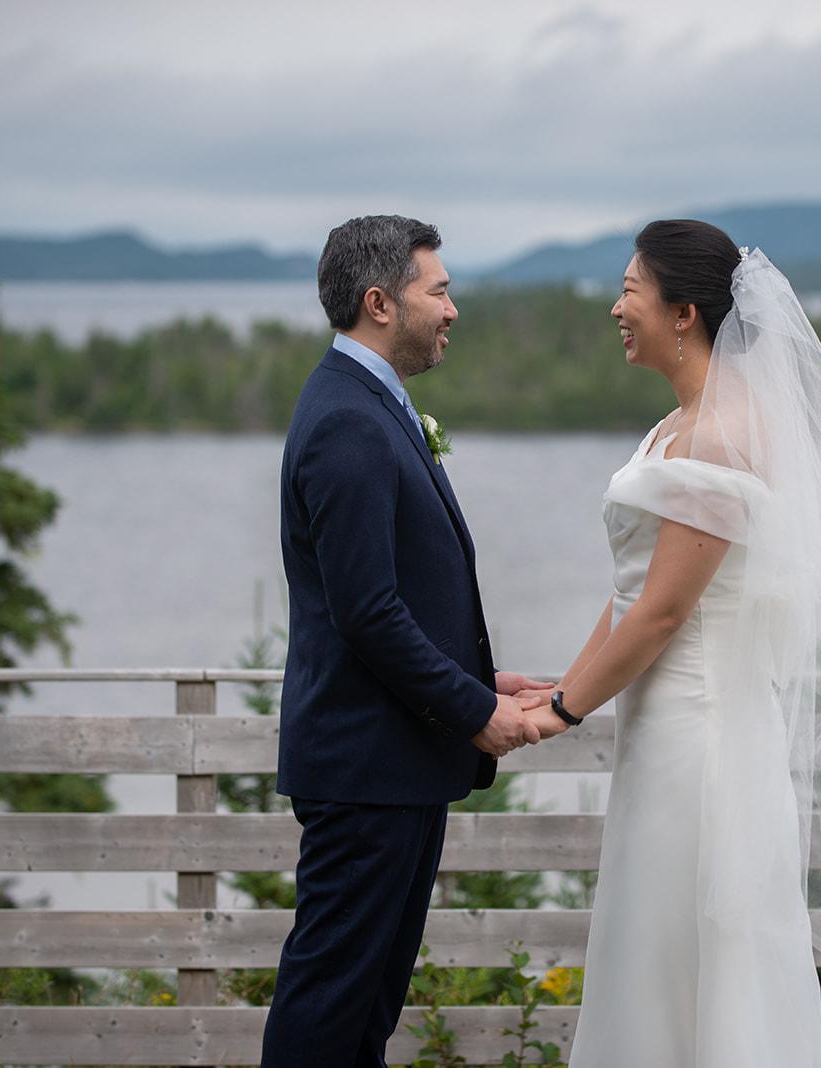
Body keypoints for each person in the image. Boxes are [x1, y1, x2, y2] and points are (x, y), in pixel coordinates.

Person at [551, 220, 821, 1066]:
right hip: (660, 729)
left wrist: (562, 711)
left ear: (684, 312)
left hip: (702, 741)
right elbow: (630, 592)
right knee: (651, 944)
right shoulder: (677, 425)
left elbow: (664, 616)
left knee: (702, 950)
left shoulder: (724, 435)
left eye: (631, 290)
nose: (616, 307)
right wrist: (556, 685)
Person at [260, 214, 561, 1068]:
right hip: (367, 769)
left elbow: (390, 599)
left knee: (364, 1008)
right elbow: (367, 613)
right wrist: (474, 712)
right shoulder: (348, 422)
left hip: (389, 763)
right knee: (331, 1001)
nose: (453, 308)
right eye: (440, 289)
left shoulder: (369, 405)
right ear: (380, 302)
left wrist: (480, 675)